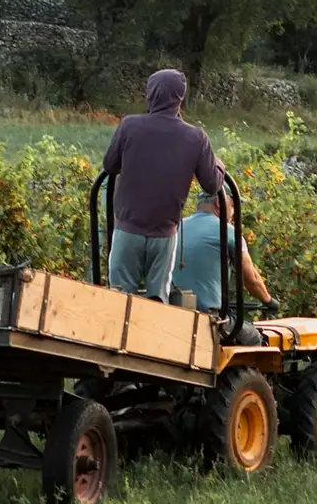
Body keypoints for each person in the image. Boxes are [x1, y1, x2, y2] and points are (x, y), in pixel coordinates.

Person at [102, 68, 222, 301]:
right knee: (158, 301)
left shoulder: (129, 126)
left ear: (150, 94)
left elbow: (109, 165)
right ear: (180, 98)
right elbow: (213, 184)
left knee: (118, 298)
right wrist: (219, 166)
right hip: (164, 234)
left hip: (127, 228)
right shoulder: (196, 138)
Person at [176, 190, 277, 346]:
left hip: (174, 312)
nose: (234, 212)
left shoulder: (176, 227)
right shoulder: (228, 232)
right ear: (219, 202)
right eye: (233, 205)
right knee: (255, 338)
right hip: (209, 318)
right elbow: (251, 280)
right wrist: (269, 301)